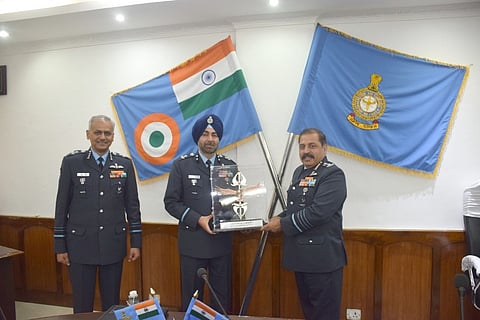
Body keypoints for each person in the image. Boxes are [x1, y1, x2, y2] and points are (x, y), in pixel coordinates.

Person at [54, 115, 142, 313]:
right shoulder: (72, 163)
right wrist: (60, 245)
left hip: (113, 244)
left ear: (112, 137)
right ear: (88, 135)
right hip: (80, 246)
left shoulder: (124, 164)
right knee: (82, 304)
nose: (102, 137)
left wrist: (136, 242)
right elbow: (62, 206)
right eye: (97, 132)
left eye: (107, 133)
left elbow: (132, 207)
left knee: (111, 304)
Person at [262, 128, 347, 320]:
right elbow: (296, 208)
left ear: (324, 148)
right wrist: (276, 218)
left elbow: (318, 212)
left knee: (323, 314)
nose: (306, 151)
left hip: (322, 260)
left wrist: (282, 224)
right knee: (309, 311)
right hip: (301, 257)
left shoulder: (333, 175)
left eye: (312, 146)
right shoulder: (299, 171)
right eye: (302, 147)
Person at [164, 114, 235, 312]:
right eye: (205, 134)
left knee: (221, 300)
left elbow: (236, 203)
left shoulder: (229, 166)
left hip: (221, 245)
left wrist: (241, 219)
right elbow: (170, 202)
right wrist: (199, 219)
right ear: (197, 137)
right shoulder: (182, 165)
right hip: (193, 245)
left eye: (214, 134)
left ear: (219, 138)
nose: (210, 139)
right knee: (192, 301)